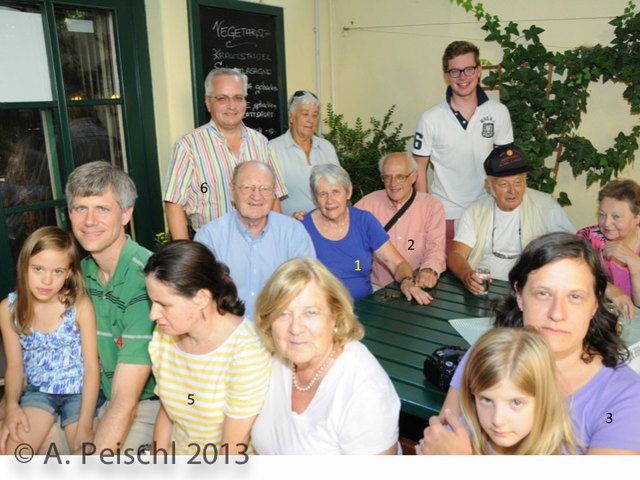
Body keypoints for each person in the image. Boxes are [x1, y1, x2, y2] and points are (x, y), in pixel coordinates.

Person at [419, 232, 640, 454]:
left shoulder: (622, 398)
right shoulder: (488, 355)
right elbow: (441, 438)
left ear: (595, 304)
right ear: (520, 295)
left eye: (575, 297)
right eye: (543, 293)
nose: (557, 313)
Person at [251, 257, 400, 454]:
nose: (295, 328)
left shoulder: (365, 391)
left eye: (310, 313)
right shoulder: (272, 359)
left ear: (335, 315)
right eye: (283, 314)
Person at [145, 241, 270, 455]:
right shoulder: (164, 335)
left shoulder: (246, 351)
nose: (153, 314)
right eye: (152, 302)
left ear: (201, 298)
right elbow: (168, 411)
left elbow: (231, 452)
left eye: (164, 304)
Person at [66, 161, 158, 452]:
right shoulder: (78, 274)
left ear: (126, 214)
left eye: (102, 209)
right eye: (81, 208)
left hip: (147, 405)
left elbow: (125, 400)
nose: (89, 221)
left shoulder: (147, 279)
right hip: (91, 398)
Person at [0, 227, 100, 454]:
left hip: (79, 390)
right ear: (24, 266)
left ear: (68, 273)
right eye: (38, 269)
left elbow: (92, 368)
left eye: (57, 271)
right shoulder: (8, 309)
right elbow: (15, 368)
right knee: (11, 454)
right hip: (39, 390)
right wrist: (12, 406)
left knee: (84, 453)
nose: (46, 280)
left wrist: (85, 425)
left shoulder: (80, 307)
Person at [412, 40, 514, 252]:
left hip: (487, 210)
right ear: (447, 75)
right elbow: (419, 168)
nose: (463, 77)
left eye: (468, 69)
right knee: (446, 279)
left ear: (479, 71)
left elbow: (506, 165)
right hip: (446, 215)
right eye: (455, 71)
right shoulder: (430, 119)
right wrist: (423, 214)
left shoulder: (498, 112)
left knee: (487, 277)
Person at [163, 68, 287, 239]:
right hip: (211, 248)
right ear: (208, 103)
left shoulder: (261, 143)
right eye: (222, 98)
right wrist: (188, 258)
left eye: (238, 98)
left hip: (259, 242)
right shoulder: (188, 146)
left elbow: (274, 198)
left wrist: (276, 241)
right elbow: (173, 204)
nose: (232, 106)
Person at [195, 161, 316, 319]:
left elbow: (308, 289)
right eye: (247, 187)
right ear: (232, 191)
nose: (256, 195)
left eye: (265, 188)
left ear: (274, 194)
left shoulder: (293, 233)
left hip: (280, 332)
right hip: (228, 334)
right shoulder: (209, 237)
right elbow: (200, 298)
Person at [448, 144, 575, 293]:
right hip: (484, 288)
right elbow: (456, 254)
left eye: (518, 182)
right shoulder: (475, 212)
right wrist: (467, 275)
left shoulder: (546, 206)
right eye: (503, 184)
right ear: (489, 185)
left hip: (531, 290)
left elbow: (571, 247)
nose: (512, 191)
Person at [301, 164, 432, 304]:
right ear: (315, 197)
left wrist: (407, 281)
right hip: (323, 309)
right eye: (323, 194)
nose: (329, 201)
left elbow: (397, 262)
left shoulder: (364, 221)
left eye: (336, 192)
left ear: (348, 192)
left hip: (365, 306)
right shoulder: (303, 227)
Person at [449, 327, 577, 454]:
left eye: (516, 403)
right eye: (487, 400)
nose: (498, 420)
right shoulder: (453, 441)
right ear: (472, 396)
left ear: (545, 399)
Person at [355, 152, 445, 288]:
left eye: (400, 177)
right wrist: (356, 273)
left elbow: (435, 248)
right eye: (387, 177)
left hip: (417, 285)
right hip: (376, 288)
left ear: (414, 176)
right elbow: (352, 248)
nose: (393, 184)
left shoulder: (431, 206)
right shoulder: (367, 204)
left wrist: (428, 270)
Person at [269, 90, 340, 218]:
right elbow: (268, 197)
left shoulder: (327, 148)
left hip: (328, 226)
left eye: (315, 115)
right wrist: (285, 223)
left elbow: (340, 188)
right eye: (305, 114)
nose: (310, 120)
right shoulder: (273, 149)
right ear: (291, 116)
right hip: (291, 227)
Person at [578, 179, 640, 318]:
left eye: (616, 216)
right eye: (602, 214)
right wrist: (608, 288)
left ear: (637, 216)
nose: (606, 223)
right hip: (597, 318)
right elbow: (573, 278)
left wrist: (634, 262)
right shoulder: (588, 238)